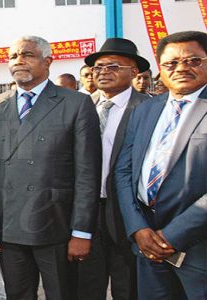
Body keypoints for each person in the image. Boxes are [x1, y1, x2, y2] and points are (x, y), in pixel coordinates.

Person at [0, 36, 101, 300]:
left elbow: (87, 174)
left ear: (48, 61)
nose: (18, 61)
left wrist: (81, 231)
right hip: (8, 227)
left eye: (27, 55)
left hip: (55, 226)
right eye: (13, 56)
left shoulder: (75, 104)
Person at [114, 30, 207, 299]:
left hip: (198, 245)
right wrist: (137, 228)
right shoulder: (146, 109)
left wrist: (172, 236)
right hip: (146, 244)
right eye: (170, 63)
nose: (181, 68)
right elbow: (123, 171)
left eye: (193, 61)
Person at [76, 38, 151, 300]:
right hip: (84, 213)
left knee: (127, 286)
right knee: (85, 286)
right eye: (98, 67)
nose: (103, 71)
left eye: (113, 65)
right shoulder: (78, 106)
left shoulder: (149, 108)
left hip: (128, 215)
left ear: (134, 72)